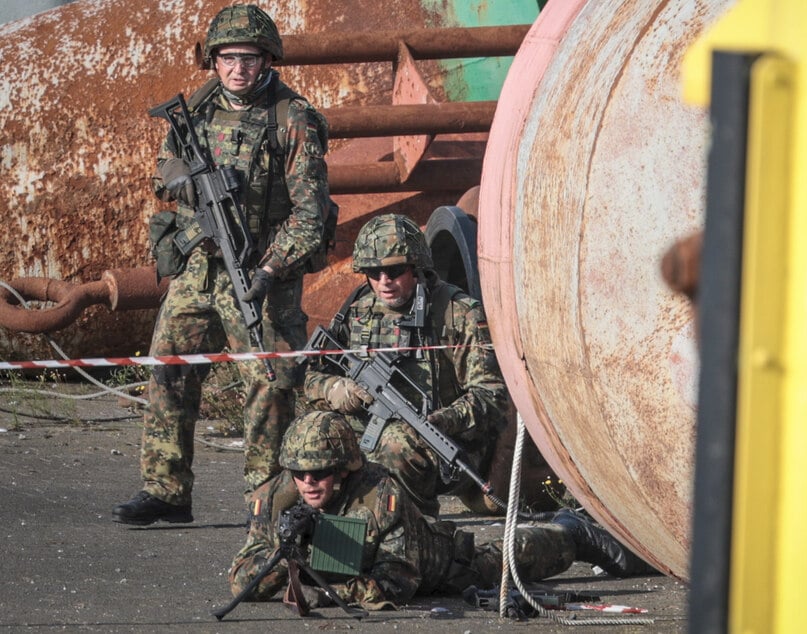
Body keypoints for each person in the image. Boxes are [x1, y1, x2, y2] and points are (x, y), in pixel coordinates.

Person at [113, 4, 332, 525]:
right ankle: (166, 490)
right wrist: (182, 179)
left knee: (273, 382)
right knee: (167, 369)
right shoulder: (198, 109)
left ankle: (269, 497)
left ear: (268, 59)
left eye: (250, 58)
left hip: (259, 272)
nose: (239, 69)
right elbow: (165, 165)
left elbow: (311, 213)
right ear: (213, 60)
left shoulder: (292, 118)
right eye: (228, 58)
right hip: (198, 268)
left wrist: (270, 269)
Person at [229, 413, 648, 610]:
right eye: (300, 473)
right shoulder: (276, 500)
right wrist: (289, 561)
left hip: (444, 567)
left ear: (342, 470)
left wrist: (322, 593)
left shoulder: (379, 495)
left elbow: (399, 581)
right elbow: (241, 576)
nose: (308, 483)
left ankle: (572, 530)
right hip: (363, 571)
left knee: (510, 562)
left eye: (319, 473)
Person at [303, 213, 508, 517]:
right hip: (368, 431)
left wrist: (443, 420)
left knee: (395, 443)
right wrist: (336, 389)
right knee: (307, 440)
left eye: (395, 270)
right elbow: (310, 376)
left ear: (417, 267)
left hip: (447, 446)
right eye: (374, 272)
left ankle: (413, 526)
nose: (384, 282)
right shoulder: (356, 310)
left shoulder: (457, 312)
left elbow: (492, 396)